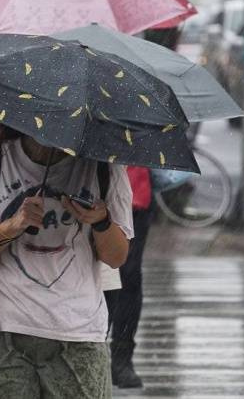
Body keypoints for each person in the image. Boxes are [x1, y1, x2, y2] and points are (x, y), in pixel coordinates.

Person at [0, 113, 133, 399]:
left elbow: (117, 257)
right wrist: (11, 227)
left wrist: (101, 222)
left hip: (78, 334)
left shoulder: (104, 169)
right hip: (4, 332)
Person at [105, 166, 153, 388]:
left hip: (134, 190)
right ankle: (88, 346)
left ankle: (122, 357)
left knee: (128, 276)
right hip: (84, 187)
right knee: (94, 276)